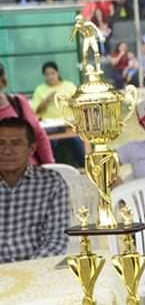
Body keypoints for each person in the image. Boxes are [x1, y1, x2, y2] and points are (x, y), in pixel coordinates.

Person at [0, 117, 68, 263]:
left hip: (36, 269)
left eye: (16, 143)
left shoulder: (51, 183)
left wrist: (26, 270)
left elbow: (56, 241)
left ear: (31, 149)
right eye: (1, 143)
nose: (6, 151)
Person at [30, 61, 85, 167]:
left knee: (76, 140)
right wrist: (47, 100)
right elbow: (35, 111)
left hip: (69, 123)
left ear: (58, 73)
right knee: (50, 142)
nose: (50, 77)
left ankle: (84, 166)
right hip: (49, 125)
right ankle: (52, 167)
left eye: (52, 73)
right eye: (47, 74)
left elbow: (78, 104)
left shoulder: (69, 86)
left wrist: (66, 99)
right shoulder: (40, 89)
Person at [0, 63, 54, 165]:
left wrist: (49, 166)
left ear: (3, 81)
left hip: (29, 171)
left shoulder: (17, 103)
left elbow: (39, 136)